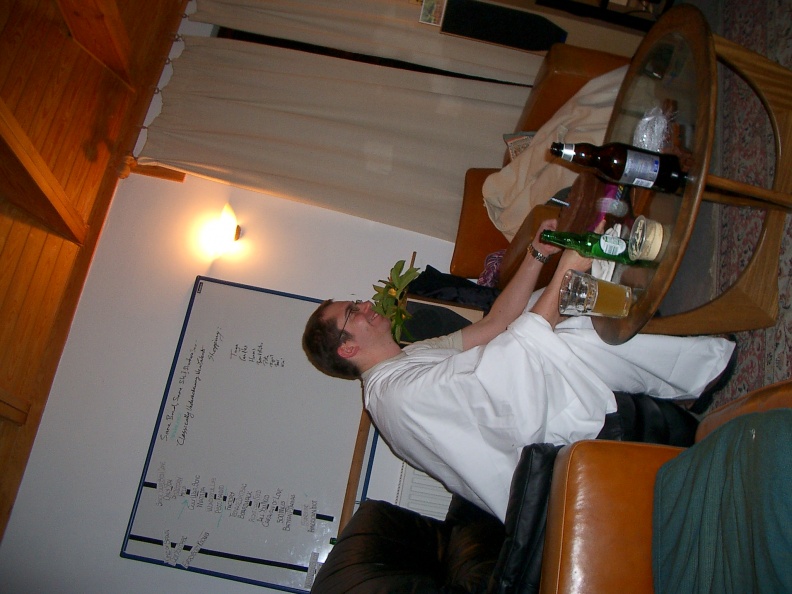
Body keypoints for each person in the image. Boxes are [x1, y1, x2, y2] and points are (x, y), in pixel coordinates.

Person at [302, 220, 735, 521]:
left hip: (522, 415)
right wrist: (564, 277)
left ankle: (657, 310)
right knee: (566, 334)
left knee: (544, 309)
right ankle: (704, 369)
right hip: (540, 463)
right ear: (348, 347)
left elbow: (495, 326)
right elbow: (499, 382)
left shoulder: (408, 357)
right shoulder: (395, 397)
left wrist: (537, 255)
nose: (365, 305)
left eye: (355, 302)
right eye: (353, 312)